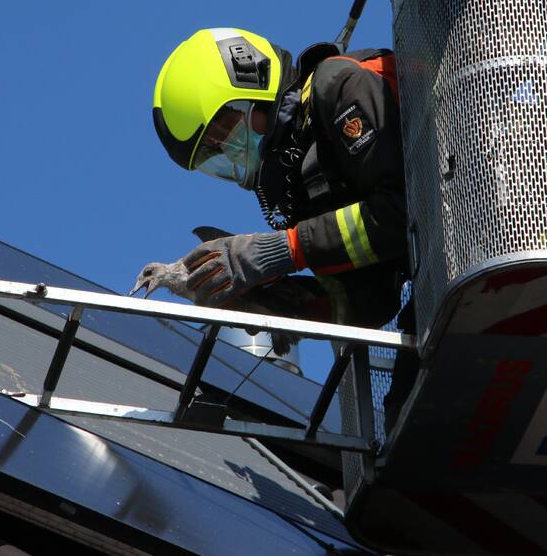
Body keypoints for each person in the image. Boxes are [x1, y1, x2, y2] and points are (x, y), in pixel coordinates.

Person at [151, 27, 415, 427]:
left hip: (486, 230)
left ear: (253, 81)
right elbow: (374, 300)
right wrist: (287, 303)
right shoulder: (296, 179)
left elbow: (403, 212)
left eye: (225, 134)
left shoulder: (338, 85)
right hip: (440, 285)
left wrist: (280, 251)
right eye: (214, 155)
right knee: (405, 428)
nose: (229, 152)